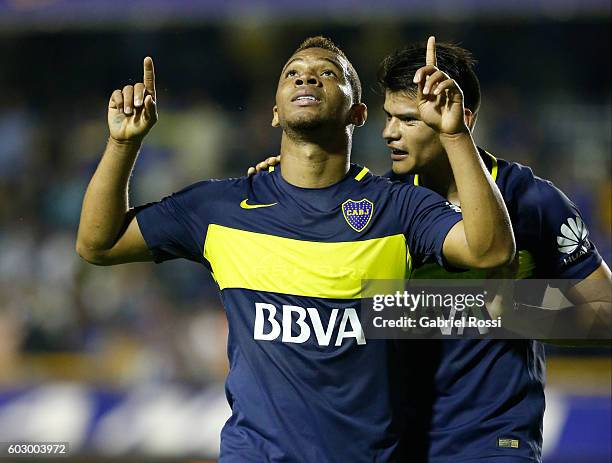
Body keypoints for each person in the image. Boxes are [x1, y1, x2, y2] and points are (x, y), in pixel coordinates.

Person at [76, 36, 514, 462]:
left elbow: (490, 251)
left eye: (327, 73)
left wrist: (454, 135)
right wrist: (122, 143)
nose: (307, 79)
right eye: (293, 73)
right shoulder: (219, 207)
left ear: (358, 113)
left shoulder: (397, 208)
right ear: (274, 111)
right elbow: (99, 243)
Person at [250, 40, 611, 462]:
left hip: (493, 442)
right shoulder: (381, 205)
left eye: (408, 119)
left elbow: (605, 314)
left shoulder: (531, 201)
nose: (389, 133)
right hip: (393, 444)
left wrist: (497, 310)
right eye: (387, 117)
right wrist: (284, 189)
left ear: (458, 118)